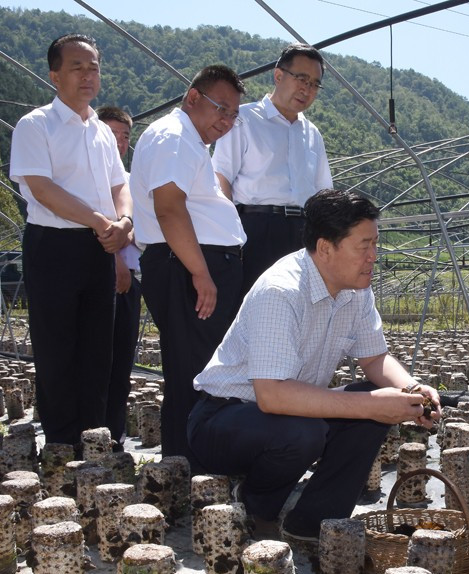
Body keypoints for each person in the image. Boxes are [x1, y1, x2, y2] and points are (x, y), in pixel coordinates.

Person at [188, 189, 441, 545]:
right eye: (363, 246)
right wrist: (371, 405)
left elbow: (374, 358)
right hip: (225, 419)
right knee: (307, 431)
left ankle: (314, 521)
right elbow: (272, 395)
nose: (373, 257)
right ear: (325, 248)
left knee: (375, 404)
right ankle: (256, 506)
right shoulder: (281, 291)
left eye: (375, 244)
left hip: (291, 411)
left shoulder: (356, 290)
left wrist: (412, 390)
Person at [9, 34, 132, 448]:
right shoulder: (36, 125)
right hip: (54, 246)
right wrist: (102, 221)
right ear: (55, 75)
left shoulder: (99, 130)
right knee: (57, 349)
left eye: (93, 67)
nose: (87, 75)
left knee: (99, 351)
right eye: (77, 67)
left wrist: (125, 220)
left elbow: (121, 184)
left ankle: (93, 441)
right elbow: (42, 189)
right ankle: (62, 446)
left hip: (100, 246)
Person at [130, 65, 247, 461]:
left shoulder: (190, 143)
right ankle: (188, 467)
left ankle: (193, 464)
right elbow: (169, 206)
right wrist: (201, 272)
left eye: (233, 114)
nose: (226, 121)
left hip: (195, 262)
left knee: (202, 369)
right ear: (193, 98)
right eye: (221, 108)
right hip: (188, 265)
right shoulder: (174, 136)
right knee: (194, 373)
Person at [213, 43, 332, 296]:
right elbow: (221, 177)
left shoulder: (312, 133)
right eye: (301, 78)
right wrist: (229, 235)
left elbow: (324, 194)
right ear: (278, 75)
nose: (307, 89)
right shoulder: (243, 119)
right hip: (255, 228)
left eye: (314, 84)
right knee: (253, 306)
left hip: (302, 232)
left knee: (299, 310)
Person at [97, 105, 141, 451]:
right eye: (112, 134)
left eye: (124, 136)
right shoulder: (93, 179)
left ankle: (113, 436)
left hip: (131, 277)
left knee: (121, 360)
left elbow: (136, 231)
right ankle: (93, 433)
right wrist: (117, 264)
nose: (119, 142)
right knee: (99, 359)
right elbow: (108, 232)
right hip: (110, 275)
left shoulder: (129, 181)